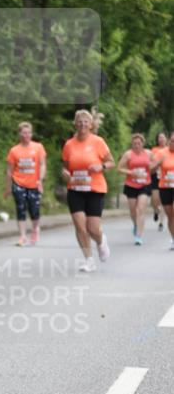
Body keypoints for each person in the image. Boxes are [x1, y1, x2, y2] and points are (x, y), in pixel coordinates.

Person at [61, 109, 115, 272]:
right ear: (75, 124)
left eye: (86, 121)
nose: (83, 124)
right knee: (79, 225)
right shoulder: (69, 144)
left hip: (95, 189)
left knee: (93, 229)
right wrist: (65, 175)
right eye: (80, 121)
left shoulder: (98, 142)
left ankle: (100, 241)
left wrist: (101, 166)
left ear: (91, 125)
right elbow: (65, 168)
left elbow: (111, 161)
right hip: (75, 189)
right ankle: (88, 259)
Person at [4, 122, 47, 246]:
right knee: (20, 208)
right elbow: (9, 170)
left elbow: (42, 164)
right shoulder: (14, 150)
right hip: (18, 183)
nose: (26, 135)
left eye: (28, 132)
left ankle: (35, 229)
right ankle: (22, 236)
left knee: (34, 210)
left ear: (31, 134)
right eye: (23, 132)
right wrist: (8, 187)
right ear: (19, 134)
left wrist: (40, 179)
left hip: (34, 183)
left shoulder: (38, 147)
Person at [117, 133, 153, 245]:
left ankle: (138, 236)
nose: (137, 145)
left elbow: (154, 165)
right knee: (133, 211)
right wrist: (131, 172)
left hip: (145, 184)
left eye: (139, 143)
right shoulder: (128, 154)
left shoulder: (148, 153)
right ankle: (136, 224)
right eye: (134, 143)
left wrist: (151, 170)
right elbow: (119, 168)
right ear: (132, 144)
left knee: (140, 209)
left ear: (143, 143)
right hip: (131, 185)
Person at [151, 130, 174, 249]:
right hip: (165, 186)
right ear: (169, 141)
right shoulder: (161, 153)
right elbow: (150, 169)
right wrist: (156, 165)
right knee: (170, 216)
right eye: (172, 141)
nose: (173, 144)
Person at [150, 131, 167, 231]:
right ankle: (156, 210)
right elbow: (151, 163)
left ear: (166, 139)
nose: (161, 139)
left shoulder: (169, 150)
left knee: (164, 201)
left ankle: (161, 223)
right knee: (155, 200)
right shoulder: (154, 150)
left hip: (166, 178)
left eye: (163, 137)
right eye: (159, 138)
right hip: (155, 177)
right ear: (157, 140)